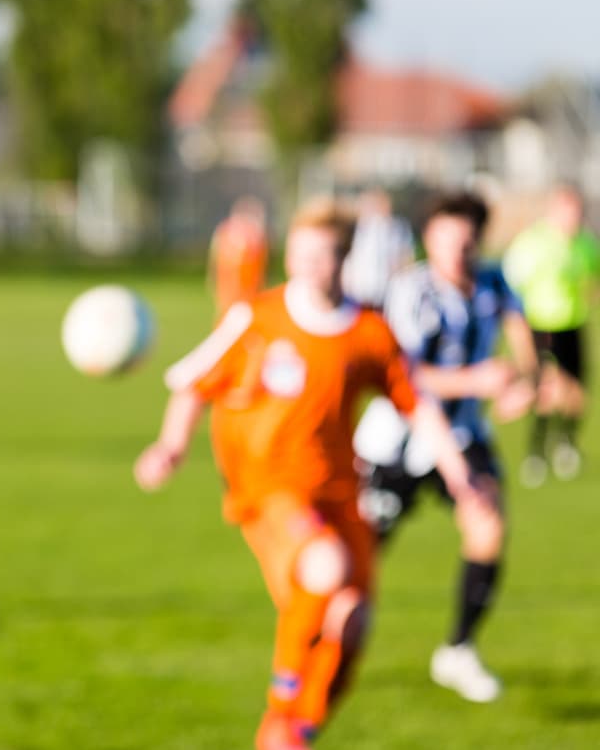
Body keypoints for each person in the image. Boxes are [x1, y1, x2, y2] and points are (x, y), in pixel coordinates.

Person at [135, 198, 490, 749]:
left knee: (352, 623)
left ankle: (298, 730)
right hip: (269, 491)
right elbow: (191, 383)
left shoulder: (368, 329)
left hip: (341, 494)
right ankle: (281, 706)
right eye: (298, 255)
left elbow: (417, 405)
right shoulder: (256, 318)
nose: (305, 267)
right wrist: (170, 447)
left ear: (344, 259)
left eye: (319, 256)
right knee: (326, 566)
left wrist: (459, 474)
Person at [354, 191, 537, 704]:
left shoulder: (495, 282)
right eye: (448, 239)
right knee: (359, 557)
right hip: (399, 441)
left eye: (468, 241)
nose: (459, 251)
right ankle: (321, 640)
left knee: (488, 523)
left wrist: (526, 383)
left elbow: (525, 348)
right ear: (429, 238)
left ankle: (458, 649)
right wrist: (476, 380)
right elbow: (403, 376)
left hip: (464, 436)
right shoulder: (410, 290)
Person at [502, 186, 600, 485]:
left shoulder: (584, 243)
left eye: (578, 212)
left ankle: (566, 442)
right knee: (544, 391)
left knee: (577, 394)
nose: (574, 218)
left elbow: (593, 278)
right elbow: (511, 285)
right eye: (569, 212)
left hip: (573, 325)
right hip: (541, 326)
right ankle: (536, 451)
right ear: (554, 211)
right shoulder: (533, 243)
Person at [341, 188, 414, 310]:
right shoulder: (354, 229)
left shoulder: (397, 229)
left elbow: (405, 260)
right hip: (357, 295)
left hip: (386, 297)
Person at [208, 196, 269, 318]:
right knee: (228, 314)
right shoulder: (226, 232)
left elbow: (262, 266)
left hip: (249, 288)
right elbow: (215, 258)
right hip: (229, 286)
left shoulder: (257, 237)